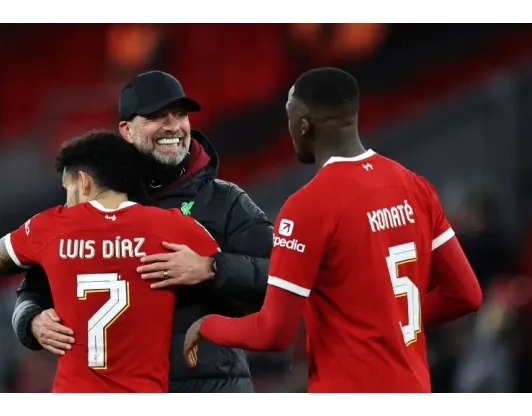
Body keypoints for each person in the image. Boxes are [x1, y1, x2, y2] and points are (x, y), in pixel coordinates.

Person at [184, 67, 483, 392]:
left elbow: (274, 332)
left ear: (303, 124)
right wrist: (393, 320)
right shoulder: (414, 187)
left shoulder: (307, 207)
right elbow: (465, 294)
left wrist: (208, 326)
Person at [11, 71, 272, 393]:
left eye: (180, 115)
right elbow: (32, 289)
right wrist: (31, 321)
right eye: (155, 117)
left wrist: (211, 267)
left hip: (208, 389)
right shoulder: (88, 208)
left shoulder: (224, 201)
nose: (173, 126)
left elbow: (283, 275)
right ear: (126, 130)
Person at [0, 131, 219, 392]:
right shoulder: (174, 226)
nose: (67, 200)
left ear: (83, 182)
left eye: (67, 188)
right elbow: (230, 273)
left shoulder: (50, 227)